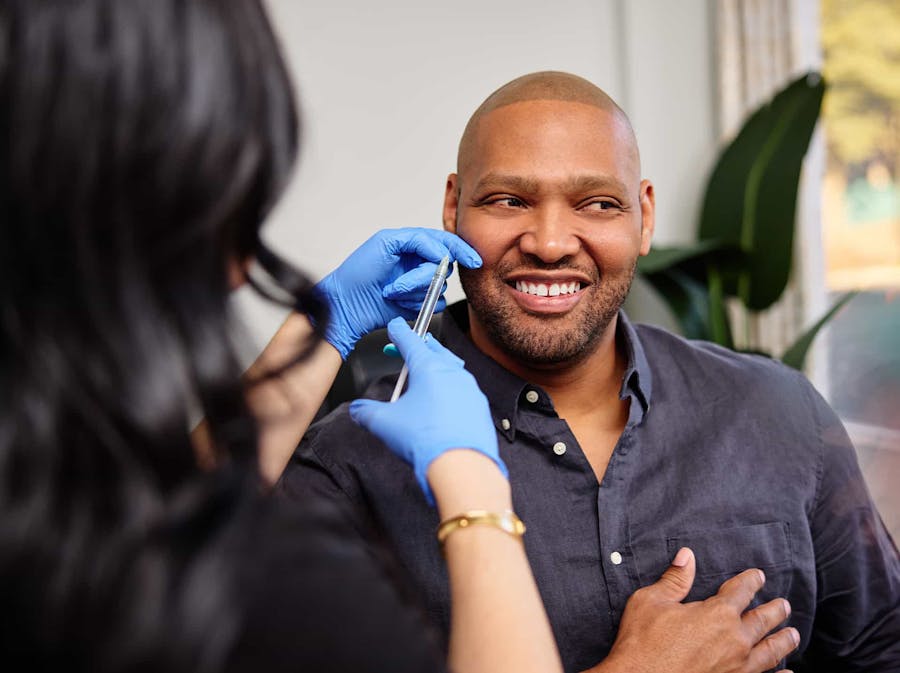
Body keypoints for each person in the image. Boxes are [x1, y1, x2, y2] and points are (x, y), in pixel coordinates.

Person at [0, 2, 567, 671]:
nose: (550, 241)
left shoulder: (51, 500)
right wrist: (475, 495)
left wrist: (328, 320)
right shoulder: (286, 585)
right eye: (231, 202)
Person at [279, 72, 900, 672]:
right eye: (509, 200)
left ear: (644, 215)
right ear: (453, 206)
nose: (550, 243)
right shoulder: (349, 462)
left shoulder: (778, 409)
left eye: (598, 203)